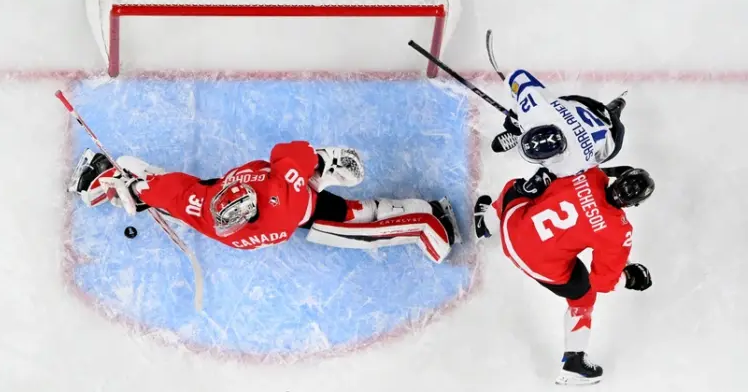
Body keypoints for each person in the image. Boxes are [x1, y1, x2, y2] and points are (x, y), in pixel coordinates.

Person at [68, 140, 458, 264]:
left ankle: (423, 223)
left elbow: (288, 153)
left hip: (292, 203)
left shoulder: (213, 209)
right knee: (358, 217)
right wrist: (320, 165)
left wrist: (136, 190)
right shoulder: (225, 209)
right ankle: (427, 222)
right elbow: (290, 157)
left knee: (357, 220)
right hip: (297, 207)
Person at [474, 164, 654, 385]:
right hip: (539, 266)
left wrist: (609, 171)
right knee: (584, 294)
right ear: (634, 204)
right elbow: (604, 282)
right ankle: (574, 361)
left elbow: (567, 168)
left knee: (516, 188)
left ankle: (485, 224)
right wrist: (630, 278)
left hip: (512, 232)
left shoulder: (590, 174)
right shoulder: (618, 231)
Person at [491, 69, 627, 178]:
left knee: (585, 168)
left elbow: (517, 77)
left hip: (611, 136)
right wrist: (518, 111)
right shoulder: (541, 109)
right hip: (591, 111)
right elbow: (518, 77)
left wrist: (516, 109)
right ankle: (518, 130)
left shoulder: (569, 164)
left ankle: (518, 129)